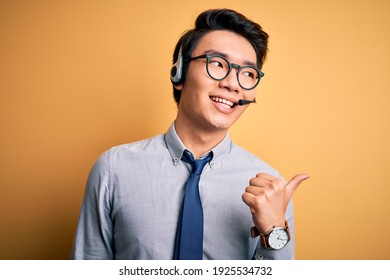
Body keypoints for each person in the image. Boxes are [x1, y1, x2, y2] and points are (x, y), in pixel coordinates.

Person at [71, 8, 309, 260]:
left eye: (248, 73)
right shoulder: (113, 169)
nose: (233, 83)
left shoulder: (271, 189)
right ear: (179, 73)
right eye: (217, 63)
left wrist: (274, 233)